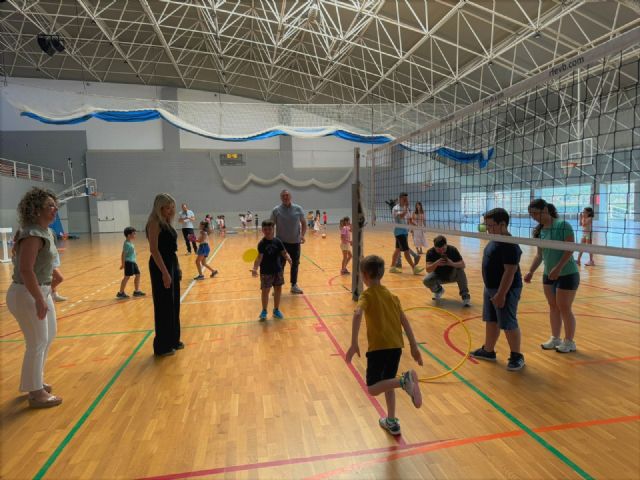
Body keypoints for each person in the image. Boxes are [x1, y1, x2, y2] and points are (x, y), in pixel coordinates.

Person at [345, 255, 424, 436]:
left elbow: (358, 314)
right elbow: (405, 321)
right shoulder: (391, 295)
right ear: (381, 274)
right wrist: (414, 346)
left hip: (378, 348)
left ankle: (404, 381)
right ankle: (391, 420)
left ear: (364, 275)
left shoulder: (367, 295)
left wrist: (353, 342)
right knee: (388, 383)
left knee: (373, 388)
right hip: (396, 346)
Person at [6, 187, 63, 408]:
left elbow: (43, 262)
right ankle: (36, 392)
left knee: (48, 337)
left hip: (41, 290)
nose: (54, 209)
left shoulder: (45, 231)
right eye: (50, 206)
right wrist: (39, 299)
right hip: (27, 293)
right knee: (37, 342)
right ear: (36, 209)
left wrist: (53, 276)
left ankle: (34, 382)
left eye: (55, 206)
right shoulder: (32, 234)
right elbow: (26, 270)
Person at [470, 208, 525, 371]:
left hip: (505, 289)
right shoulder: (495, 238)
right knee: (491, 320)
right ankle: (488, 350)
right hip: (491, 288)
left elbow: (510, 271)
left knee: (508, 323)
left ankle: (517, 356)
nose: (488, 229)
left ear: (503, 224)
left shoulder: (509, 244)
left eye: (491, 225)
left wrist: (501, 294)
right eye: (486, 225)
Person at [525, 198, 580, 354]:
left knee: (564, 307)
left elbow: (570, 249)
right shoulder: (539, 230)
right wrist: (531, 271)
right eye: (531, 214)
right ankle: (555, 338)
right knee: (553, 306)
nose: (534, 217)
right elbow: (539, 255)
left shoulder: (562, 225)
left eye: (535, 213)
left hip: (567, 273)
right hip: (548, 274)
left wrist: (558, 268)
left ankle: (569, 342)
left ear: (546, 210)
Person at [146, 193, 183, 357]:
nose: (171, 210)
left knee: (174, 303)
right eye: (167, 207)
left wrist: (177, 268)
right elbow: (154, 250)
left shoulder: (167, 223)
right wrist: (165, 273)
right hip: (160, 265)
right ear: (159, 207)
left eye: (172, 207)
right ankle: (162, 345)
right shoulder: (154, 223)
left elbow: (172, 249)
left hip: (171, 263)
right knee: (164, 305)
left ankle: (173, 339)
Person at [251, 220, 292, 320]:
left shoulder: (277, 241)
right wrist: (255, 268)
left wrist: (288, 258)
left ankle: (276, 310)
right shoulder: (261, 244)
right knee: (265, 291)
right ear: (262, 230)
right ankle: (264, 311)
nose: (268, 231)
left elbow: (284, 252)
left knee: (278, 289)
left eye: (270, 229)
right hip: (266, 272)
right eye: (265, 229)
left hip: (278, 270)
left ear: (273, 229)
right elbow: (259, 258)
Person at [270, 190, 306, 294]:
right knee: (280, 265)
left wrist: (302, 235)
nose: (286, 197)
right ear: (281, 198)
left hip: (295, 243)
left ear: (290, 196)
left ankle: (294, 285)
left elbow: (303, 223)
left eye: (287, 195)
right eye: (283, 196)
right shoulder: (276, 210)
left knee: (295, 264)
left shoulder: (298, 209)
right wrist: (271, 240)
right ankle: (277, 286)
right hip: (281, 244)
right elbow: (271, 225)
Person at [423, 235, 471, 307]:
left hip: (452, 275)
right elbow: (428, 269)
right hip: (438, 276)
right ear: (435, 247)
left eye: (443, 249)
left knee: (460, 269)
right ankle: (439, 291)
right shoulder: (430, 252)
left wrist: (452, 263)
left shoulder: (453, 250)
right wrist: (436, 263)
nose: (441, 251)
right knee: (426, 280)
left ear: (446, 245)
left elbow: (463, 265)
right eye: (439, 250)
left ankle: (465, 296)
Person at [390, 193, 423, 275]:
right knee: (406, 251)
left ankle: (392, 267)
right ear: (400, 199)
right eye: (404, 199)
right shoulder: (395, 208)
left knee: (397, 250)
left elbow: (409, 220)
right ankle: (414, 268)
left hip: (405, 232)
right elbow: (400, 216)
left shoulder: (406, 209)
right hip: (399, 232)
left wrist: (416, 226)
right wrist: (406, 208)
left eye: (407, 199)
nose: (406, 201)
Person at [117, 227, 146, 298]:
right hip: (129, 262)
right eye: (134, 234)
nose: (135, 235)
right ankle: (121, 293)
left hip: (133, 262)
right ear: (129, 235)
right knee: (127, 277)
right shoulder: (127, 244)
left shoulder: (130, 243)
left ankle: (136, 291)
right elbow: (123, 254)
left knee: (138, 274)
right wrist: (123, 264)